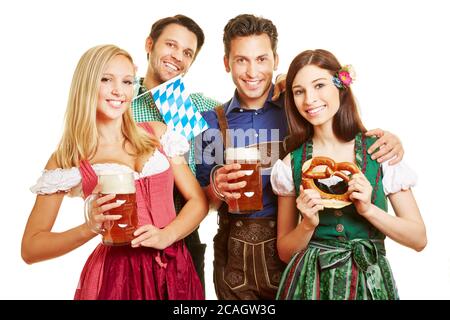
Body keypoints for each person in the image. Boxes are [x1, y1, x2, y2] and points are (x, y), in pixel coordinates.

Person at [195, 14, 405, 300]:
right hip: (235, 253)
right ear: (226, 63)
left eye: (261, 59)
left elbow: (340, 131)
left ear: (276, 60)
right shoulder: (208, 123)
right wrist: (216, 188)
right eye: (241, 60)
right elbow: (202, 204)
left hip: (299, 250)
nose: (252, 71)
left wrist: (389, 140)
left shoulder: (298, 109)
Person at [21, 44, 208, 300]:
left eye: (127, 81)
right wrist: (89, 227)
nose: (119, 91)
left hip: (176, 267)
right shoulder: (70, 156)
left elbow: (198, 201)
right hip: (119, 278)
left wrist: (168, 235)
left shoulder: (158, 134)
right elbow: (31, 248)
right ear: (87, 85)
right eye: (106, 79)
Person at [270, 49, 427, 300]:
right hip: (311, 285)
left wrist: (368, 210)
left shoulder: (379, 151)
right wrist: (308, 224)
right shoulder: (291, 164)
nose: (310, 99)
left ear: (340, 86)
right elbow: (285, 251)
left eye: (319, 85)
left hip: (370, 283)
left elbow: (418, 238)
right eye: (299, 91)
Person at [132, 15, 220, 288]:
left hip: (185, 236)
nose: (177, 56)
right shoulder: (120, 98)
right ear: (150, 44)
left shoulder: (196, 106)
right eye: (171, 45)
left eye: (187, 53)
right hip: (131, 238)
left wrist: (281, 84)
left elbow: (248, 108)